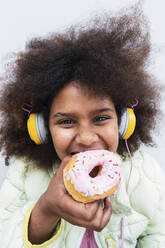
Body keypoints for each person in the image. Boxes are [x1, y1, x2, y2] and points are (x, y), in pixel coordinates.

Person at [0, 8, 165, 248]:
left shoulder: (143, 175)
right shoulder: (25, 174)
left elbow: (157, 236)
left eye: (100, 118)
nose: (87, 139)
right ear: (42, 129)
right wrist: (46, 209)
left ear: (123, 122)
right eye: (66, 121)